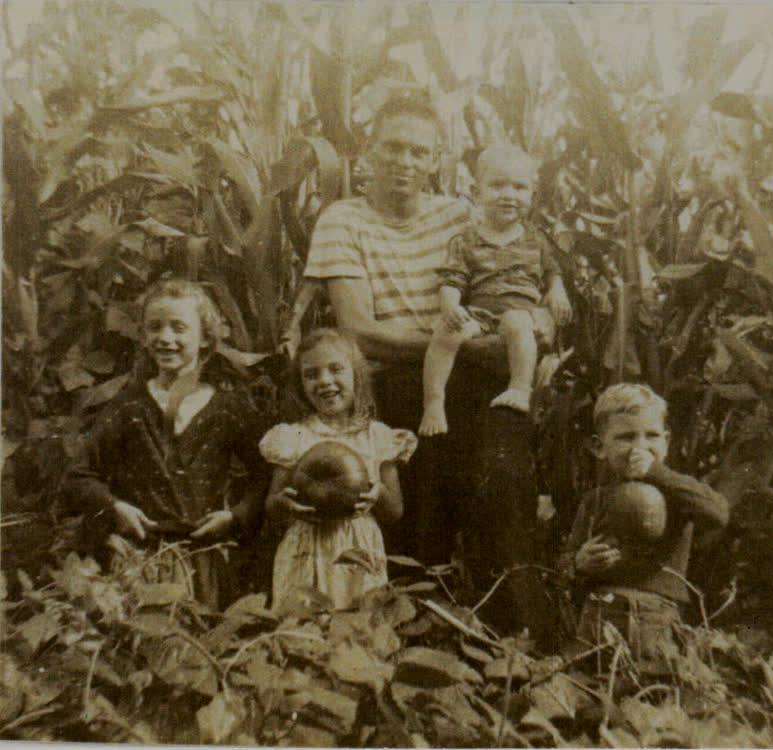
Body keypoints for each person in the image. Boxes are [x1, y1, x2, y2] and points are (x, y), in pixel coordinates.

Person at [303, 92, 567, 635]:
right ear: (368, 153)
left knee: (504, 473)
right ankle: (415, 623)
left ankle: (516, 629)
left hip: (476, 371)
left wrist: (537, 317)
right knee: (418, 482)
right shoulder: (342, 220)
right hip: (394, 377)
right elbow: (359, 331)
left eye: (418, 152)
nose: (404, 162)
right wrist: (459, 344)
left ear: (436, 161)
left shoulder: (461, 215)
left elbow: (516, 276)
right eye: (393, 147)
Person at [64, 278, 272, 609]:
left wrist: (235, 516)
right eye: (154, 327)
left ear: (206, 338)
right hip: (139, 559)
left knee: (201, 635)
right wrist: (114, 507)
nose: (165, 337)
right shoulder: (128, 407)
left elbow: (267, 473)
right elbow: (79, 475)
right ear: (144, 337)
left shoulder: (229, 409)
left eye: (179, 328)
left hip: (204, 563)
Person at [557, 383, 729, 668]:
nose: (640, 447)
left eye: (651, 436)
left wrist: (656, 472)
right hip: (599, 617)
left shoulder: (677, 494)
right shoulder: (594, 500)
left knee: (655, 680)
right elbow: (564, 563)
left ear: (666, 442)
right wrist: (579, 562)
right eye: (626, 437)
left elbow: (718, 513)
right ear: (599, 447)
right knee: (591, 682)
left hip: (656, 619)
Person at [419, 144, 571, 436]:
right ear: (476, 193)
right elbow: (453, 279)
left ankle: (520, 388)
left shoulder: (536, 238)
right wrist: (450, 306)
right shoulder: (465, 240)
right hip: (481, 315)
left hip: (523, 315)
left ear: (532, 195)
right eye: (497, 185)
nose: (509, 195)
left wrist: (557, 291)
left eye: (519, 187)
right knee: (445, 332)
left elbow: (553, 271)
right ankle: (434, 402)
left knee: (516, 321)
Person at [260, 328, 416, 610]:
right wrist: (286, 504)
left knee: (359, 623)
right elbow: (272, 505)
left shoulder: (376, 437)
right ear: (300, 385)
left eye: (336, 369)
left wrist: (377, 493)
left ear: (357, 375)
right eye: (311, 374)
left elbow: (395, 510)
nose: (324, 381)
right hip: (305, 549)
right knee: (303, 622)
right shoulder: (293, 437)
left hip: (358, 552)